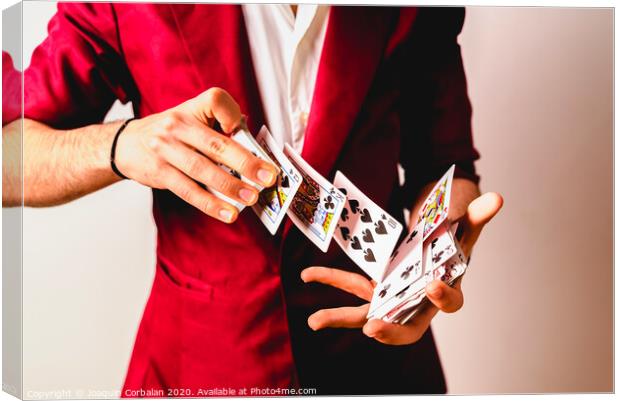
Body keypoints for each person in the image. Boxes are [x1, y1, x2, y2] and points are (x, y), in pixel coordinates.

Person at [2, 3, 502, 396]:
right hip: (197, 366)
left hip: (379, 357)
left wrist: (433, 261)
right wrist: (119, 145)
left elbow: (445, 166)